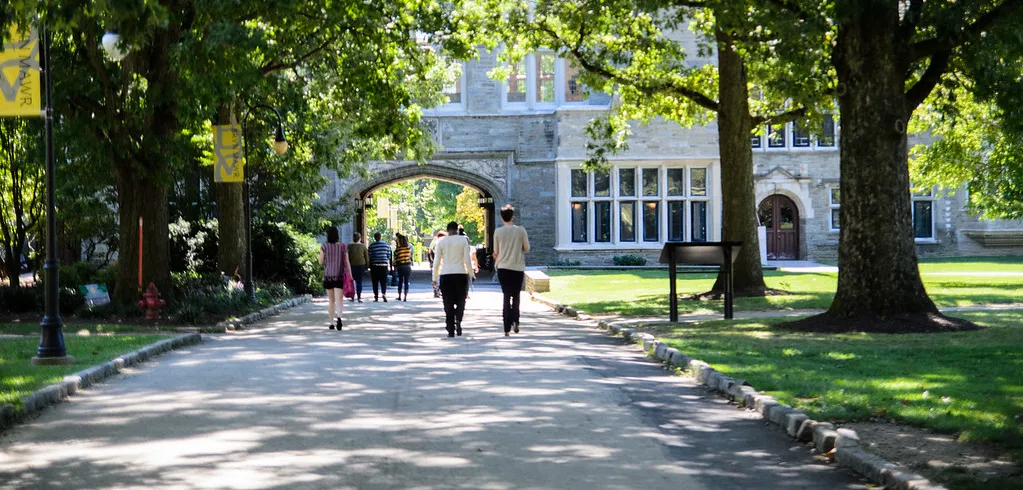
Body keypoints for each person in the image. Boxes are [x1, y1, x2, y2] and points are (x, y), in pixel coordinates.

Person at [432, 221, 475, 337]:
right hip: (461, 273)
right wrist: (471, 273)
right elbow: (467, 259)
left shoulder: (441, 242)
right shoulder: (463, 241)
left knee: (447, 301)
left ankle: (450, 327)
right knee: (461, 300)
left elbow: (436, 262)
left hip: (446, 274)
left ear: (447, 230)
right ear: (456, 229)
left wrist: (434, 278)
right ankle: (458, 320)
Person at [493, 204, 530, 336]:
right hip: (517, 267)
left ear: (502, 217)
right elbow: (527, 248)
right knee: (516, 296)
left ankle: (506, 327)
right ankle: (516, 320)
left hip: (503, 267)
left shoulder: (498, 232)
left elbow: (495, 251)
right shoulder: (521, 230)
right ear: (512, 216)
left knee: (506, 296)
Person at [319, 226, 354, 330]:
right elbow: (347, 262)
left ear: (328, 235)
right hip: (339, 276)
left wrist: (326, 260)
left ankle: (331, 323)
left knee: (331, 300)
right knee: (339, 300)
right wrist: (351, 276)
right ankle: (339, 318)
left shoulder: (324, 247)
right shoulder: (343, 246)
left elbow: (320, 262)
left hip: (328, 276)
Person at [368, 231, 392, 302]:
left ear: (374, 238)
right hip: (383, 266)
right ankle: (384, 294)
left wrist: (369, 265)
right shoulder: (386, 245)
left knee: (375, 282)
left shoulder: (372, 246)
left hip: (374, 266)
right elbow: (389, 256)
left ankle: (376, 297)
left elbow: (369, 256)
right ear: (380, 237)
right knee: (383, 281)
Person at [348, 232, 369, 303]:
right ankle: (359, 297)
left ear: (353, 238)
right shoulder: (363, 246)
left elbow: (347, 257)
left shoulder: (349, 246)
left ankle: (352, 296)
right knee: (359, 282)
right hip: (361, 265)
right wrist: (367, 267)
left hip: (352, 265)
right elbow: (367, 257)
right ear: (360, 238)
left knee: (352, 281)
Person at [393, 233, 413, 301]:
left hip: (400, 266)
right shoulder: (408, 249)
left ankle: (399, 296)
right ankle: (405, 297)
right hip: (407, 266)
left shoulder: (398, 249)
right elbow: (410, 257)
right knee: (406, 281)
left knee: (400, 281)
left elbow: (395, 258)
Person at [429, 231, 447, 298]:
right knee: (440, 276)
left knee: (436, 276)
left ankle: (436, 290)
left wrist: (431, 260)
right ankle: (439, 290)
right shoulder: (444, 243)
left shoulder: (434, 242)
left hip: (437, 261)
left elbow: (430, 251)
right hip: (442, 262)